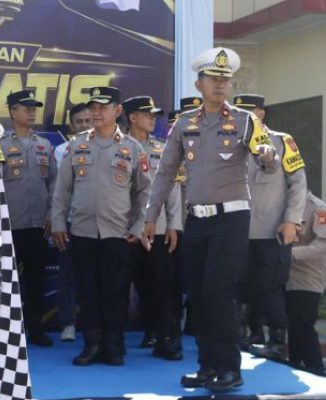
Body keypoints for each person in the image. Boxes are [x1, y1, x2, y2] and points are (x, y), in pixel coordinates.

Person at [143, 47, 279, 392]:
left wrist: (268, 156)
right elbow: (165, 172)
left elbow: (268, 159)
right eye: (213, 79)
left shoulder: (246, 121)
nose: (220, 85)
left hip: (231, 219)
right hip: (197, 221)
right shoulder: (184, 123)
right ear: (199, 84)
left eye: (225, 80)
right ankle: (207, 367)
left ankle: (230, 369)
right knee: (198, 295)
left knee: (219, 291)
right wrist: (150, 214)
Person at [52, 86, 152, 366]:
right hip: (82, 231)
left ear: (117, 111)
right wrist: (58, 222)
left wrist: (139, 226)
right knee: (87, 292)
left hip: (117, 234)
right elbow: (62, 189)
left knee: (115, 292)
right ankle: (92, 344)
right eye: (93, 107)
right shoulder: (76, 145)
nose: (96, 113)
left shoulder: (132, 148)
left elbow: (145, 192)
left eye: (102, 107)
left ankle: (113, 344)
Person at [233, 94, 307, 360]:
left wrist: (292, 220)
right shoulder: (228, 142)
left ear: (261, 113)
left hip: (271, 229)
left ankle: (276, 342)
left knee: (271, 286)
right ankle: (245, 336)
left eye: (249, 111)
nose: (242, 116)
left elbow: (298, 183)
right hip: (236, 229)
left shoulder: (281, 141)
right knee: (237, 285)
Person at [122, 96, 184, 360]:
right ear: (132, 117)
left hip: (157, 229)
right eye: (147, 114)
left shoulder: (163, 148)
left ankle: (165, 338)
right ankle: (115, 341)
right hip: (124, 231)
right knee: (122, 287)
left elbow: (173, 189)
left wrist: (174, 225)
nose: (153, 119)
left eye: (154, 115)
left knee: (160, 286)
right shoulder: (117, 145)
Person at [0, 90, 57, 348]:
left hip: (38, 226)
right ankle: (6, 333)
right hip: (8, 225)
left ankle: (36, 329)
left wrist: (52, 213)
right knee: (6, 283)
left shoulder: (44, 145)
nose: (32, 112)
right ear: (13, 112)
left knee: (36, 281)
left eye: (34, 108)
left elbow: (54, 183)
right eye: (26, 108)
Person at [54, 103, 92, 342]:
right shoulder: (62, 151)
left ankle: (93, 324)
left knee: (96, 277)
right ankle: (68, 323)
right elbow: (60, 191)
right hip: (70, 221)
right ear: (71, 126)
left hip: (99, 223)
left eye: (88, 120)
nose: (85, 125)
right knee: (68, 275)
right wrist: (58, 221)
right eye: (79, 121)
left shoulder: (110, 146)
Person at [285, 191, 326, 377]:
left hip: (308, 276)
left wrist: (291, 255)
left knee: (303, 325)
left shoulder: (319, 209)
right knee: (292, 326)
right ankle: (294, 367)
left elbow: (323, 246)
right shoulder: (281, 204)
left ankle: (315, 369)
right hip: (284, 275)